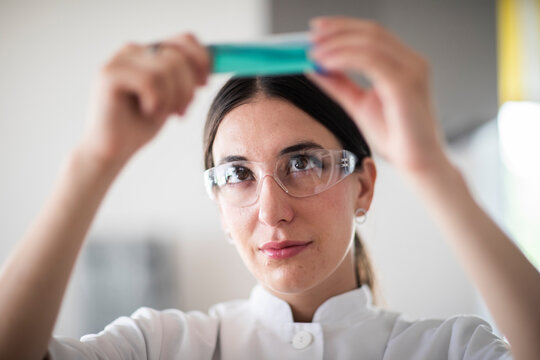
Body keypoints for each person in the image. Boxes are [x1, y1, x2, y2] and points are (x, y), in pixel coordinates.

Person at [0, 16, 538, 360]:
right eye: (237, 175)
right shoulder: (157, 346)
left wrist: (430, 169)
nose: (271, 211)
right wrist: (95, 159)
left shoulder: (450, 350)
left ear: (364, 186)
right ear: (218, 202)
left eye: (301, 162)